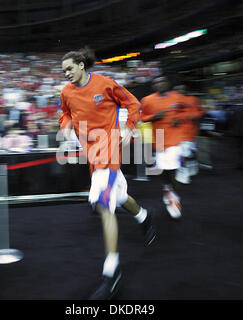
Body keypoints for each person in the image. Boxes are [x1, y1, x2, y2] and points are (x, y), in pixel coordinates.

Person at [59, 47, 156, 300]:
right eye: (63, 71)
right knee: (119, 197)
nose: (66, 73)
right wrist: (66, 127)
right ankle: (144, 217)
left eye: (69, 68)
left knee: (104, 204)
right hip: (92, 156)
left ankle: (111, 273)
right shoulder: (66, 92)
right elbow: (65, 114)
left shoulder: (105, 84)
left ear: (81, 65)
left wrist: (128, 126)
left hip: (110, 150)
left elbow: (133, 104)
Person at [140, 76, 188, 219]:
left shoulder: (177, 97)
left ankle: (174, 197)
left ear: (167, 83)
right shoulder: (147, 100)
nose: (160, 84)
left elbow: (187, 112)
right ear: (154, 86)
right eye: (157, 83)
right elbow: (142, 117)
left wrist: (180, 118)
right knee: (164, 170)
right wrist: (154, 116)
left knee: (173, 169)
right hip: (159, 139)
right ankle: (167, 188)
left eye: (162, 81)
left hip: (175, 139)